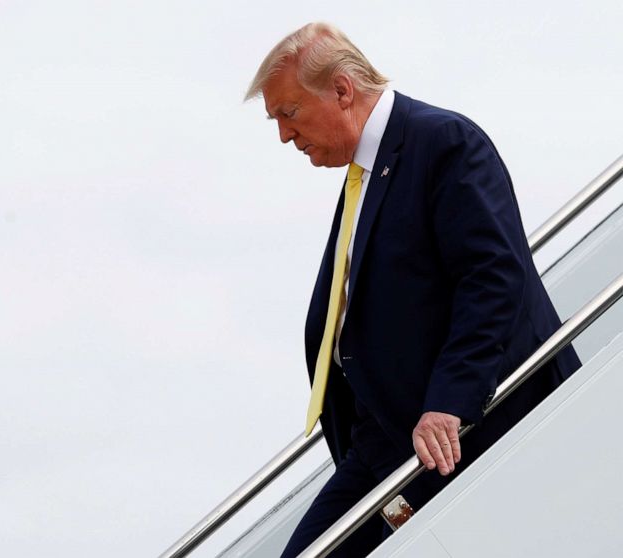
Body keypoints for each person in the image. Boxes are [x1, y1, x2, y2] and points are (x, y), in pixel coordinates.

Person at [243, 22, 582, 557]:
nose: (285, 135)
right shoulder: (365, 173)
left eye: (288, 113)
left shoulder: (441, 141)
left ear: (341, 90)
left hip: (451, 427)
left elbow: (493, 276)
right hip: (384, 439)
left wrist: (449, 402)